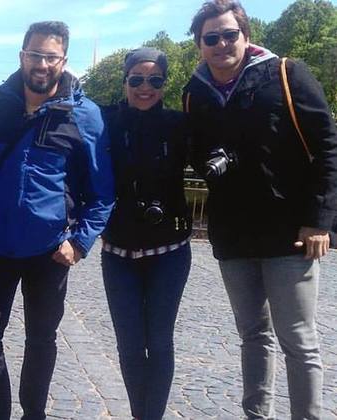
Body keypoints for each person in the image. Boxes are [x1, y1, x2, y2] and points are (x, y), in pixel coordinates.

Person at [183, 1, 337, 418]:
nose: (221, 44)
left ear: (246, 36)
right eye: (211, 38)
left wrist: (318, 221)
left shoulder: (287, 74)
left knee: (299, 341)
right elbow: (196, 152)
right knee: (252, 335)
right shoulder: (195, 92)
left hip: (290, 232)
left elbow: (327, 148)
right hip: (233, 234)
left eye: (229, 34)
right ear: (200, 45)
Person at [0, 21, 115, 420]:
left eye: (51, 57)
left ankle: (33, 413)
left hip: (50, 250)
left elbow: (103, 192)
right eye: (35, 54)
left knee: (41, 339)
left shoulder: (85, 115)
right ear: (22, 56)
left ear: (63, 60)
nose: (42, 64)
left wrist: (80, 242)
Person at [100, 47, 192, 420]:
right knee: (129, 346)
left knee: (159, 341)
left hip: (168, 252)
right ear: (125, 82)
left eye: (155, 80)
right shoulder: (105, 122)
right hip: (118, 254)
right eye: (136, 79)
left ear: (164, 84)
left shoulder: (179, 124)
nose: (145, 87)